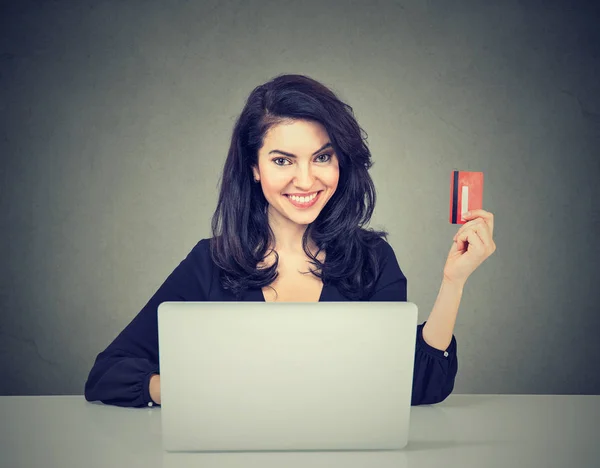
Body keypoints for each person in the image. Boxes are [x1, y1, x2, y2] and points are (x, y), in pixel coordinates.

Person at [84, 74, 496, 408]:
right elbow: (107, 374)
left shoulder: (371, 259)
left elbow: (415, 388)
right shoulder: (211, 260)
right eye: (282, 160)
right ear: (255, 168)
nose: (305, 180)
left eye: (322, 157)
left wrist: (453, 282)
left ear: (341, 162)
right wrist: (185, 392)